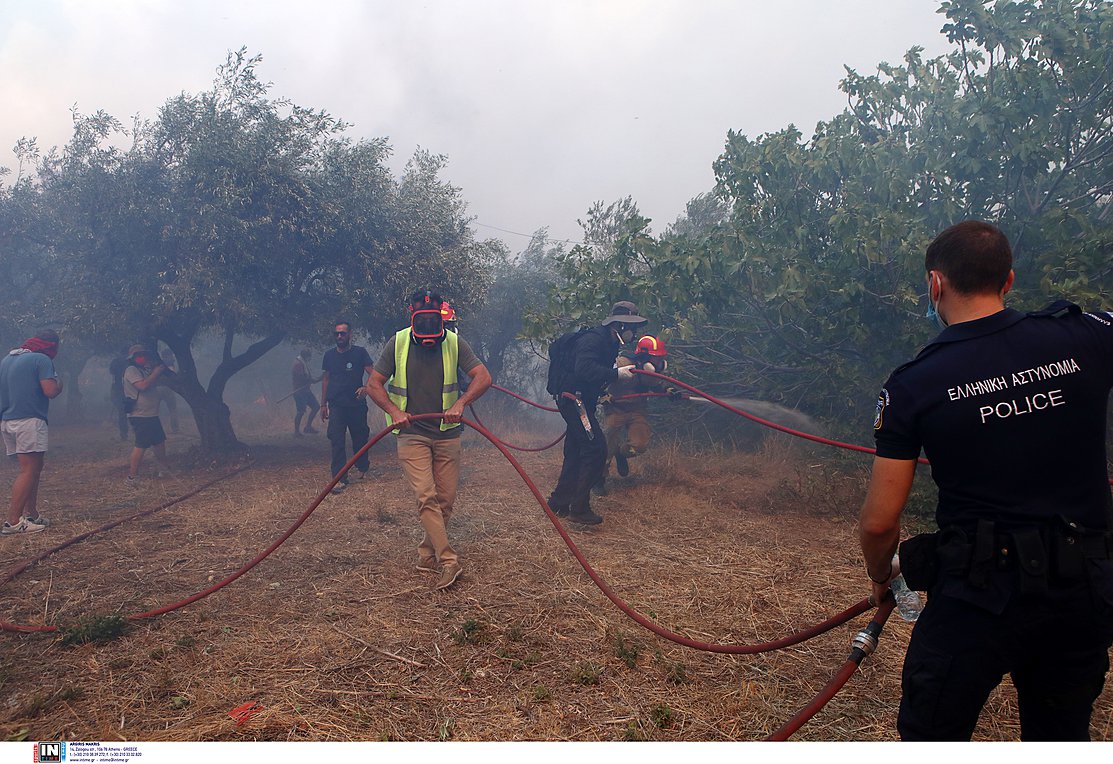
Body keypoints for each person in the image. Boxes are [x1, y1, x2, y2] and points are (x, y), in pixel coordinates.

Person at [858, 220, 1113, 741]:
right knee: (1061, 736)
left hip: (976, 596)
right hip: (1081, 592)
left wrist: (883, 575)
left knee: (932, 736)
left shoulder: (915, 383)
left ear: (935, 284)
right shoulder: (1086, 336)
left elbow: (881, 521)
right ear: (1009, 280)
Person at [366, 289, 492, 590]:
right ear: (412, 315)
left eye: (433, 322)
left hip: (447, 435)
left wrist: (460, 404)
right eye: (421, 321)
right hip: (412, 435)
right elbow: (374, 384)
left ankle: (425, 554)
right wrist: (395, 411)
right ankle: (449, 561)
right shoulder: (396, 343)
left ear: (442, 318)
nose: (427, 330)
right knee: (426, 496)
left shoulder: (454, 342)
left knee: (445, 501)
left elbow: (483, 377)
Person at [548, 301, 646, 525]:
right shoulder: (594, 340)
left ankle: (559, 502)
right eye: (631, 327)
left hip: (582, 400)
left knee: (575, 450)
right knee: (595, 449)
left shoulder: (609, 342)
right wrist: (616, 374)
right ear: (619, 325)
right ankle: (579, 508)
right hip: (574, 400)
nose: (634, 333)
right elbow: (584, 369)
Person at [0, 330, 63, 534]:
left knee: (35, 467)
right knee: (28, 470)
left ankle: (32, 515)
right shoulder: (41, 359)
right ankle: (14, 522)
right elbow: (50, 390)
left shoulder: (8, 359)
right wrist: (60, 384)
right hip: (28, 420)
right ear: (52, 345)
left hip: (8, 420)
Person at [595, 335, 668, 495]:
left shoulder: (652, 371)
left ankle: (621, 453)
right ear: (644, 357)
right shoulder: (622, 364)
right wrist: (603, 395)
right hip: (615, 408)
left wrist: (668, 391)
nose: (659, 362)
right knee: (607, 444)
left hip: (637, 410)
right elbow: (600, 376)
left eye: (661, 358)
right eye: (656, 358)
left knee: (639, 445)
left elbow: (657, 385)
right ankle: (599, 479)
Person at [321, 321, 374, 494]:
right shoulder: (329, 356)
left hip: (356, 405)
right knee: (336, 441)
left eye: (342, 333)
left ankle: (362, 466)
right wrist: (323, 404)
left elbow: (374, 374)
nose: (339, 337)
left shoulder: (360, 353)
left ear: (350, 335)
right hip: (336, 405)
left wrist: (367, 388)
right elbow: (326, 380)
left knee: (360, 438)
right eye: (336, 334)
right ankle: (339, 478)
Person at [122, 344, 174, 483]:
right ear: (133, 358)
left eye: (143, 355)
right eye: (139, 356)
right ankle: (132, 477)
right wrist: (156, 372)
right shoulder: (131, 370)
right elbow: (142, 386)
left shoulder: (144, 369)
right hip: (140, 415)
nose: (142, 358)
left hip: (151, 414)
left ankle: (163, 469)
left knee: (159, 441)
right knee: (141, 445)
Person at [291, 348, 322, 436]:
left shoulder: (302, 363)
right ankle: (296, 432)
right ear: (306, 356)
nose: (309, 358)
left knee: (316, 406)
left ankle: (308, 427)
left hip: (306, 391)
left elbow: (307, 377)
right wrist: (313, 380)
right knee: (300, 411)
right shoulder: (298, 364)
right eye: (309, 356)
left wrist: (317, 379)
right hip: (299, 392)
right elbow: (302, 377)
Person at [108, 346, 131, 441]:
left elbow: (113, 377)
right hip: (130, 387)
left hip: (118, 389)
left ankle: (124, 433)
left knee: (121, 413)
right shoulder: (130, 361)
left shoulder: (115, 362)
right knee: (134, 410)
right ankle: (135, 430)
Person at [157, 348, 181, 434]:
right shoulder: (171, 363)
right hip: (168, 388)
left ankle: (156, 429)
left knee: (155, 410)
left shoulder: (158, 363)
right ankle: (175, 429)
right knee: (173, 409)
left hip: (157, 388)